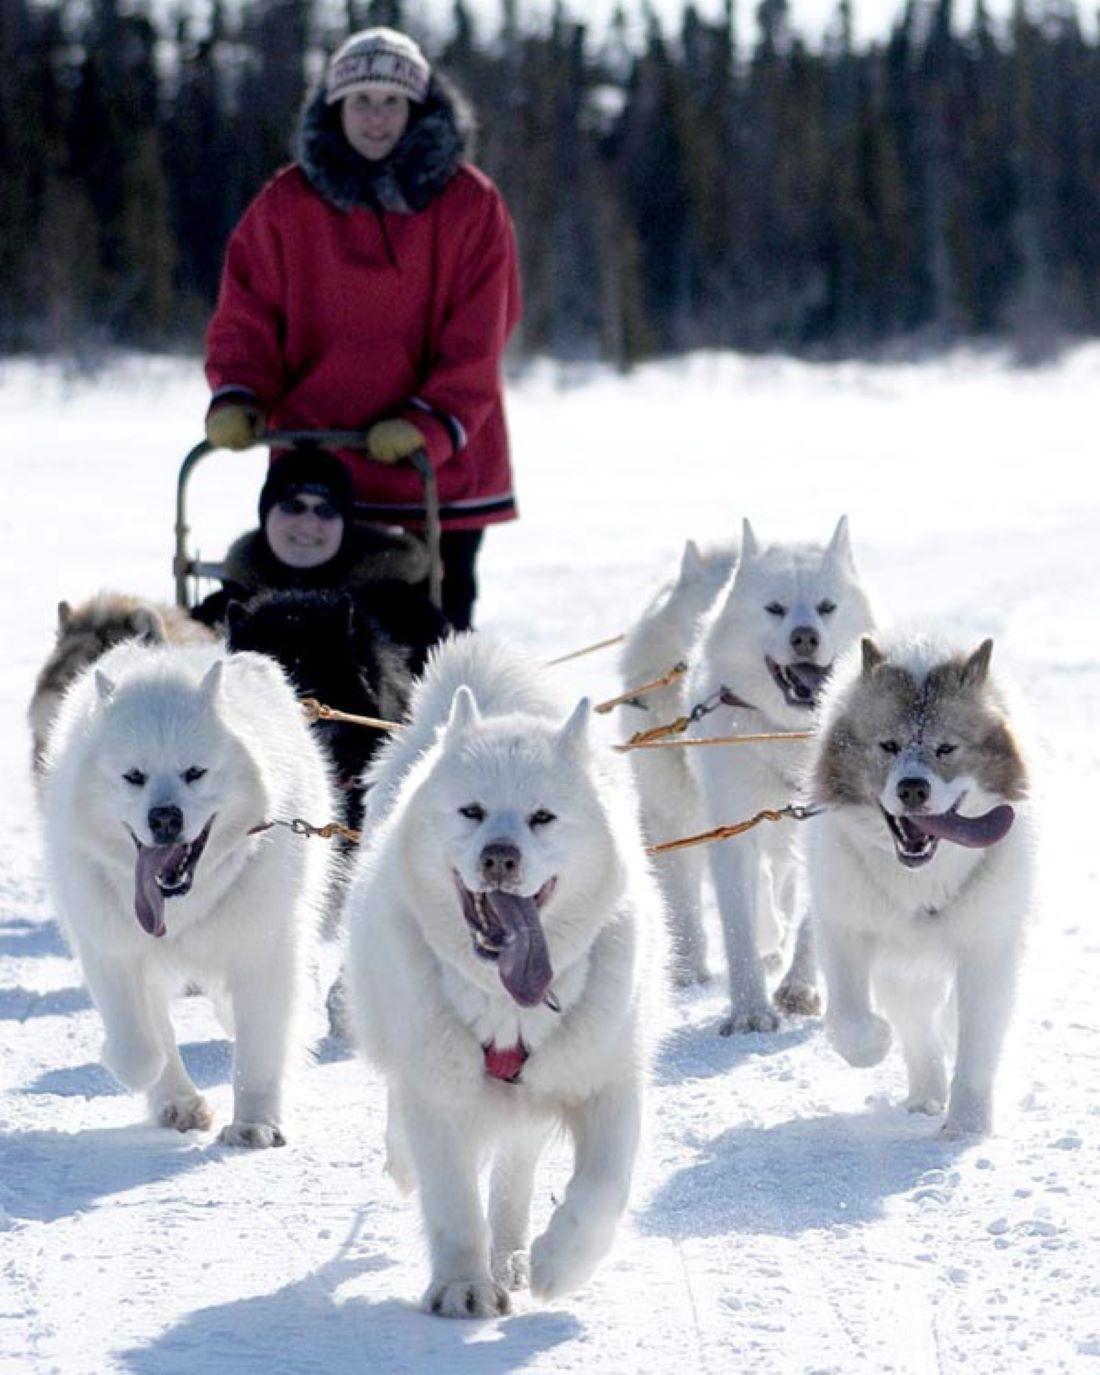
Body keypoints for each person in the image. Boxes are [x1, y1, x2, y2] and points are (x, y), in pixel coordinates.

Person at [203, 26, 522, 630]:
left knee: (434, 628)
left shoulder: (470, 204)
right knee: (304, 622)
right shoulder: (287, 203)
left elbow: (481, 336)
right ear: (335, 107)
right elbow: (247, 312)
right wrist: (238, 392)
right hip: (320, 456)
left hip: (439, 462)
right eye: (361, 102)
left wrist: (430, 421)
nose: (376, 119)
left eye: (392, 102)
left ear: (417, 110)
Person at [191, 446, 448, 665]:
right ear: (265, 514)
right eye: (294, 506)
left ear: (346, 524)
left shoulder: (400, 611)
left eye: (326, 511)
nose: (308, 524)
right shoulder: (224, 610)